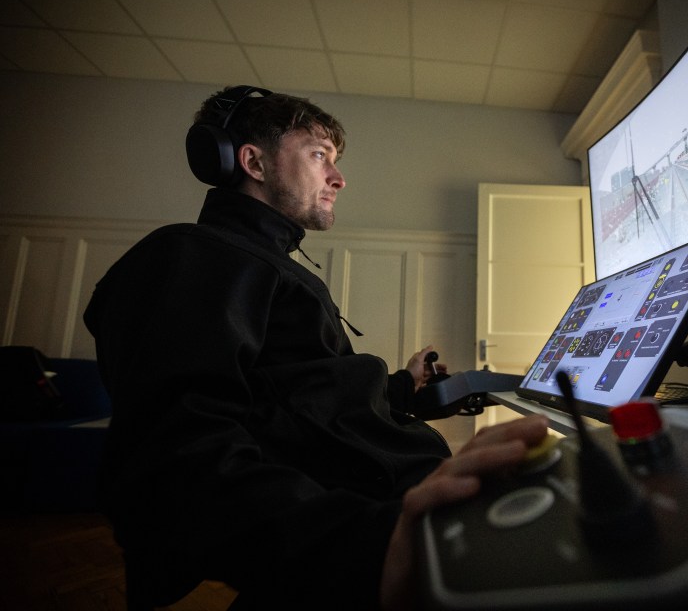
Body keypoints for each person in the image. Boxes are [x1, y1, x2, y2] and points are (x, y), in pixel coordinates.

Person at [83, 86, 548, 610]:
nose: (338, 177)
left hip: (392, 511)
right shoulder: (192, 258)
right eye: (319, 154)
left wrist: (403, 388)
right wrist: (375, 545)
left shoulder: (260, 264)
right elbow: (175, 460)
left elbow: (302, 407)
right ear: (253, 161)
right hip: (368, 539)